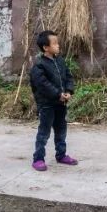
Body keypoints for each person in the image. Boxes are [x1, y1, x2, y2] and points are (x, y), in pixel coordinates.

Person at [28, 30, 79, 171]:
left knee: (61, 130)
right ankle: (38, 159)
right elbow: (43, 85)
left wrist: (68, 91)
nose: (58, 45)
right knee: (44, 132)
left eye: (57, 43)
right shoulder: (39, 65)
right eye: (55, 43)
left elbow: (68, 77)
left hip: (61, 104)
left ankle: (61, 155)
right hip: (47, 105)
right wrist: (58, 94)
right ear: (46, 47)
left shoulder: (60, 61)